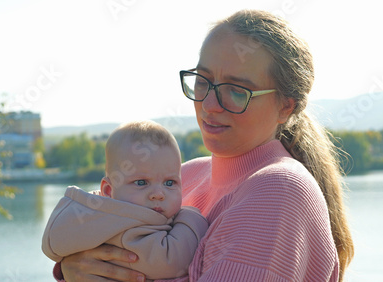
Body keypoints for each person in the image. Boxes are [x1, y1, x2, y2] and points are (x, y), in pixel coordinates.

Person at [56, 9, 354, 282]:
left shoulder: (278, 189)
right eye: (203, 81)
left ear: (285, 107)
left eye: (237, 91)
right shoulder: (185, 176)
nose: (209, 105)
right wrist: (71, 268)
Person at [42, 120, 208, 279]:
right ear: (108, 190)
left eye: (170, 183)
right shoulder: (124, 225)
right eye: (141, 182)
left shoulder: (92, 217)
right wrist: (191, 217)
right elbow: (172, 261)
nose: (158, 194)